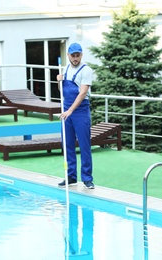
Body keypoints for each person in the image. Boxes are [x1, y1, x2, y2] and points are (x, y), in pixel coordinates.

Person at [56, 43, 94, 189]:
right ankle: (71, 176)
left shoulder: (86, 70)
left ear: (81, 55)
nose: (75, 58)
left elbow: (83, 92)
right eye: (73, 55)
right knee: (67, 145)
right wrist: (58, 81)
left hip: (80, 112)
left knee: (84, 145)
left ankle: (87, 178)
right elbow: (61, 90)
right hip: (66, 110)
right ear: (68, 55)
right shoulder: (64, 69)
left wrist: (70, 111)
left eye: (78, 55)